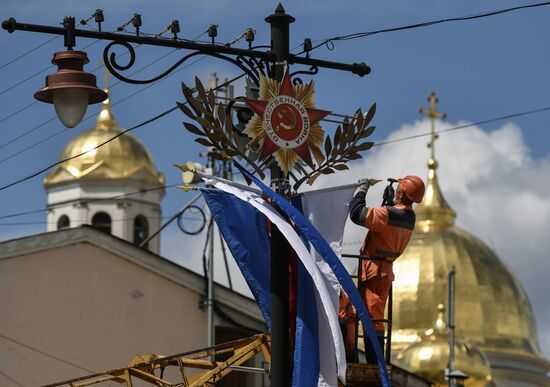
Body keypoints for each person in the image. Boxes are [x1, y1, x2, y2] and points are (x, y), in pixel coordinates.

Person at [346, 175, 425, 364]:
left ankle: (375, 363)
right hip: (383, 271)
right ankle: (373, 360)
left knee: (372, 318)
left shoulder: (388, 215)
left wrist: (362, 189)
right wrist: (389, 202)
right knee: (372, 316)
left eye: (399, 189)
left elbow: (357, 213)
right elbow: (389, 223)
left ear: (401, 192)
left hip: (374, 271)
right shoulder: (409, 217)